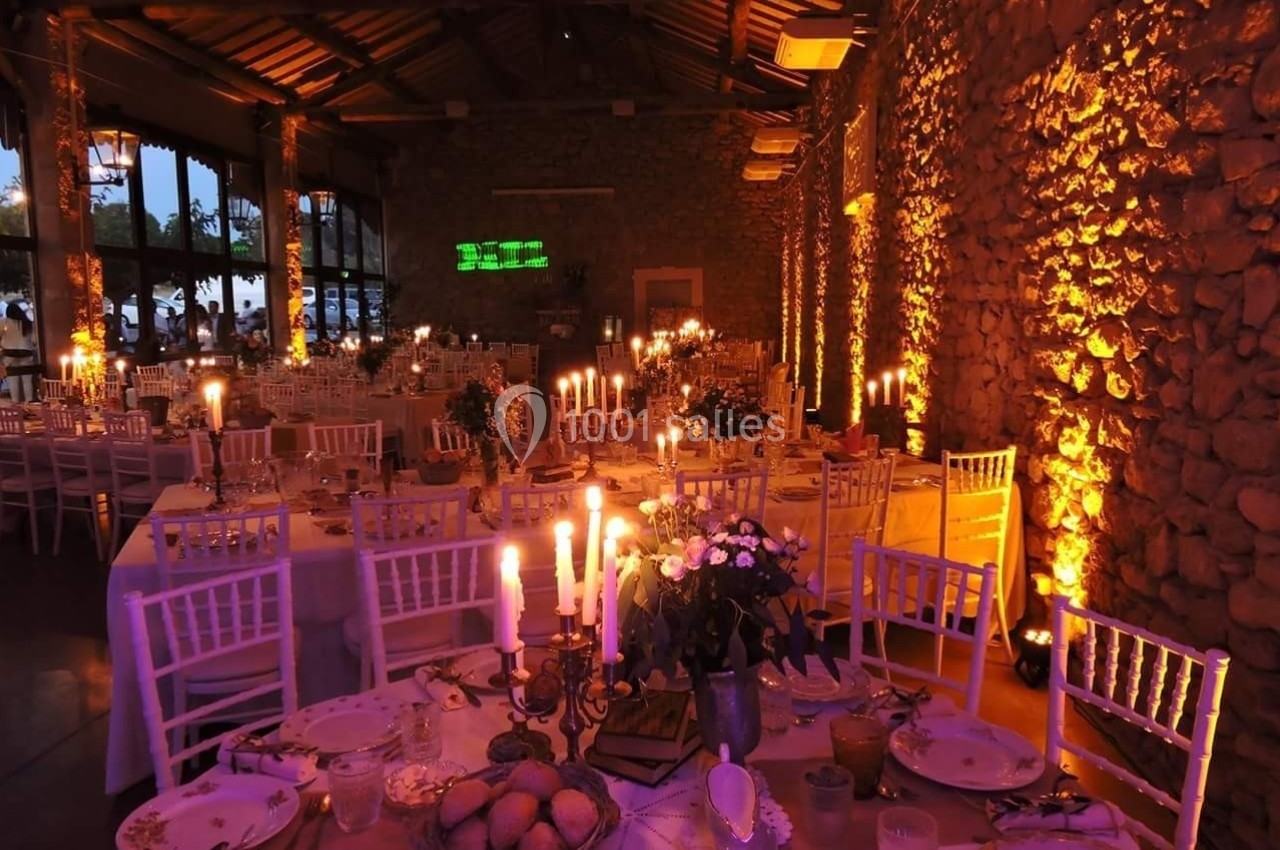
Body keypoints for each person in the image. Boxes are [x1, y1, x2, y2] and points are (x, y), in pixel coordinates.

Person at [1, 300, 35, 402]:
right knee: (27, 381)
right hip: (26, 354)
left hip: (9, 354)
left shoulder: (4, 322)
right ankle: (29, 402)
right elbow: (34, 340)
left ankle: (15, 403)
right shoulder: (27, 323)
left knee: (13, 380)